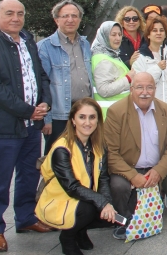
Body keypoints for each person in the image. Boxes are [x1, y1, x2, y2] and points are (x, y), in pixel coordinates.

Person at [0, 0, 53, 252]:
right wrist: (28, 110)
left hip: (31, 126)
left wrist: (45, 103)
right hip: (4, 126)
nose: (15, 18)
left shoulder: (28, 41)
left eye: (20, 13)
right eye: (9, 13)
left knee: (29, 174)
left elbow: (40, 76)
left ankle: (26, 218)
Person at [104, 72, 167, 240]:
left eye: (149, 87)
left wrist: (159, 171)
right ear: (131, 89)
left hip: (154, 167)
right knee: (119, 187)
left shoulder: (165, 110)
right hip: (127, 167)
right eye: (139, 87)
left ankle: (159, 202)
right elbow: (111, 153)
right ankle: (121, 222)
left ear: (155, 89)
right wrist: (133, 176)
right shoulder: (116, 112)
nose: (144, 92)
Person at [36, 98, 117, 255]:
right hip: (59, 200)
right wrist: (102, 203)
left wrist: (108, 203)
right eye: (82, 117)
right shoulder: (62, 148)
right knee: (88, 209)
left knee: (108, 209)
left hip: (81, 197)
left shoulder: (99, 145)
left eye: (92, 117)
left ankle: (80, 230)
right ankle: (67, 237)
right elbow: (72, 187)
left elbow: (103, 179)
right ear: (73, 120)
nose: (87, 122)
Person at [38, 0, 94, 154]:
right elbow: (42, 84)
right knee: (57, 158)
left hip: (84, 111)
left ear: (80, 20)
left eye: (74, 16)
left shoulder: (85, 44)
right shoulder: (45, 47)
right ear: (56, 20)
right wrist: (46, 119)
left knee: (83, 156)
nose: (70, 20)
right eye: (65, 16)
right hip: (59, 114)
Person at [91, 21, 136, 117]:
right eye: (113, 35)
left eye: (120, 34)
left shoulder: (111, 54)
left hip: (117, 113)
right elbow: (104, 90)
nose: (118, 38)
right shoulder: (102, 59)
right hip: (110, 115)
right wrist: (128, 78)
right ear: (104, 36)